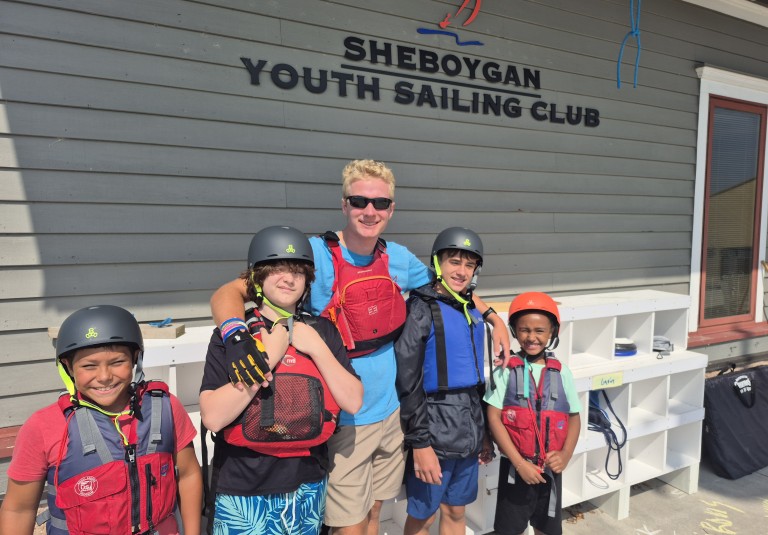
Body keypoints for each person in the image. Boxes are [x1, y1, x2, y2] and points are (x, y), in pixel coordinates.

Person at [209, 160, 511, 535]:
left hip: (392, 411)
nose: (370, 211)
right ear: (344, 204)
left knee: (374, 511)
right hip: (344, 417)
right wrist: (235, 335)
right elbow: (230, 291)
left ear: (391, 209)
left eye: (380, 203)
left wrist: (493, 317)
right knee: (347, 524)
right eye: (359, 201)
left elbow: (449, 287)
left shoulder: (398, 258)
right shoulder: (313, 253)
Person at [199, 225, 363, 535]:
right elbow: (213, 417)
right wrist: (269, 357)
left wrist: (315, 347)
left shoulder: (323, 331)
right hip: (244, 487)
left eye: (298, 272)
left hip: (307, 483)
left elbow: (353, 400)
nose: (289, 278)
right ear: (257, 277)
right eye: (277, 269)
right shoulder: (234, 335)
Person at [0, 305, 202, 535]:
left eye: (117, 362)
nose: (105, 377)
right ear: (68, 367)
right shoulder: (42, 427)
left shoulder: (165, 408)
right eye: (89, 366)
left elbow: (188, 474)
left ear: (135, 359)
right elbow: (18, 509)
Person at [395, 227, 496, 535]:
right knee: (424, 515)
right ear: (438, 263)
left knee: (456, 510)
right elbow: (408, 380)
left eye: (469, 264)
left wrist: (484, 433)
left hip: (469, 425)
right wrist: (421, 443)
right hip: (434, 425)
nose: (461, 271)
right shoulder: (421, 309)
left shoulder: (469, 308)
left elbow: (476, 382)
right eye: (454, 262)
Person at [484, 292, 581, 535]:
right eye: (524, 330)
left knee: (547, 528)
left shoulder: (562, 373)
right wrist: (519, 463)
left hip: (550, 471)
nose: (531, 337)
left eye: (539, 331)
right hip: (515, 470)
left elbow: (574, 417)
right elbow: (493, 417)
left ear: (552, 333)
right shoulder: (504, 370)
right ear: (514, 331)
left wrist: (566, 454)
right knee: (509, 529)